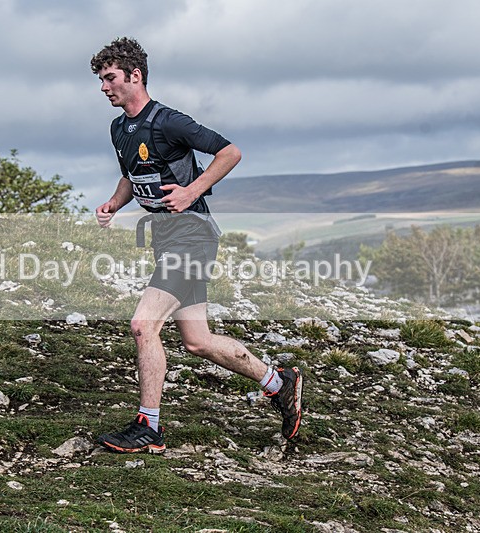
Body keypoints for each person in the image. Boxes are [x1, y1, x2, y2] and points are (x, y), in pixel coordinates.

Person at [91, 37, 303, 453]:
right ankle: (279, 382)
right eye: (100, 79)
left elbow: (230, 152)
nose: (103, 87)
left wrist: (192, 191)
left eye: (110, 77)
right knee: (197, 340)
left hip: (193, 235)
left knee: (143, 324)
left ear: (135, 76)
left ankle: (148, 427)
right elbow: (132, 175)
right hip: (166, 237)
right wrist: (115, 204)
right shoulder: (119, 128)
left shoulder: (170, 121)